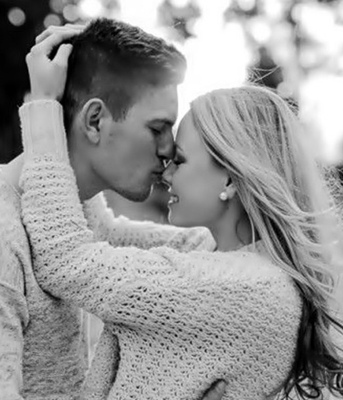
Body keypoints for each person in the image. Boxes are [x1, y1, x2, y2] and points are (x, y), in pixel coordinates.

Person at [17, 21, 343, 400]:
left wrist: (44, 108)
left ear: (230, 180)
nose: (166, 170)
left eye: (181, 160)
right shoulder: (214, 254)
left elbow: (65, 260)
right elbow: (105, 235)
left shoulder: (240, 290)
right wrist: (99, 58)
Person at [0, 19, 225, 400]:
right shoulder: (4, 229)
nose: (169, 150)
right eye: (157, 128)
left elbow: (121, 241)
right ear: (94, 121)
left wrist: (254, 243)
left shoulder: (76, 204)